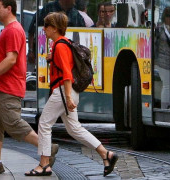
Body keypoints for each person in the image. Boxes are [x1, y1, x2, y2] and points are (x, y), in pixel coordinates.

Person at [0, 0, 56, 175]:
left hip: (8, 86)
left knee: (12, 123)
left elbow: (11, 60)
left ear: (8, 9)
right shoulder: (8, 29)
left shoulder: (13, 30)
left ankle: (47, 147)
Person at [28, 12, 117, 177]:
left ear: (54, 28)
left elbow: (67, 74)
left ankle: (44, 164)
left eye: (46, 26)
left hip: (63, 91)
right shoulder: (64, 43)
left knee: (44, 124)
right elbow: (65, 65)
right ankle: (106, 154)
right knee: (75, 129)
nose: (44, 30)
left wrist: (68, 97)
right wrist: (52, 59)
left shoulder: (60, 46)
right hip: (69, 92)